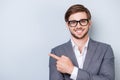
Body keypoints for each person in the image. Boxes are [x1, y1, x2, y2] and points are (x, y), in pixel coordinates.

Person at [49, 4, 115, 80]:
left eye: (83, 21)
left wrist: (72, 71)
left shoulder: (105, 50)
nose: (78, 26)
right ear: (67, 25)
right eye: (73, 22)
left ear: (89, 23)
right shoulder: (56, 52)